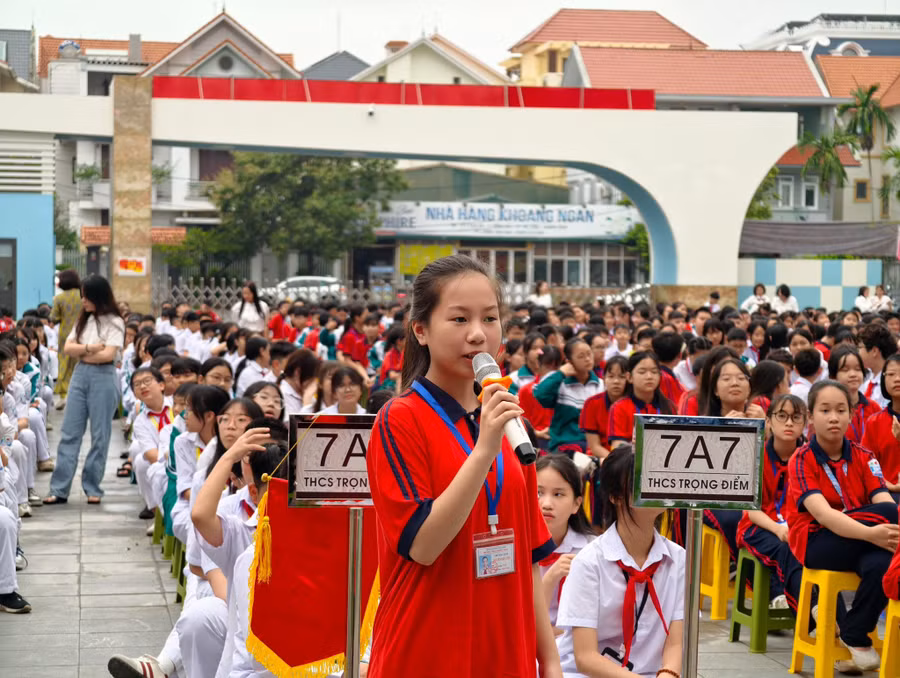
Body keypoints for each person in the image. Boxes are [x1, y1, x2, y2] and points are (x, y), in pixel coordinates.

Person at [365, 254, 561, 677]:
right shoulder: (400, 420)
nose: (478, 335)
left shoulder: (508, 422)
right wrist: (484, 449)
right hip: (428, 648)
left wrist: (549, 661)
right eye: (459, 320)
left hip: (506, 648)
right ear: (421, 329)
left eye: (490, 319)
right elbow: (424, 545)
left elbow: (528, 559)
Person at [785, 380, 898, 674]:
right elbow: (823, 515)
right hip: (817, 542)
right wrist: (872, 533)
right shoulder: (801, 459)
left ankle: (854, 633)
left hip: (860, 541)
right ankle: (854, 634)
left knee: (883, 563)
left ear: (851, 414)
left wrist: (880, 534)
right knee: (890, 511)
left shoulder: (863, 456)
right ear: (811, 416)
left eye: (840, 410)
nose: (833, 417)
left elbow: (883, 500)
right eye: (825, 410)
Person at [555, 446, 684, 678]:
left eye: (658, 478)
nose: (656, 486)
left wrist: (668, 674)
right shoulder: (589, 562)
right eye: (643, 480)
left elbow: (675, 643)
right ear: (615, 496)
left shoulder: (678, 559)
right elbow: (585, 658)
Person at [45, 275, 124, 505]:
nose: (83, 301)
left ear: (98, 296)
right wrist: (89, 348)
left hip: (104, 375)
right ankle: (59, 488)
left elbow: (109, 355)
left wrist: (82, 351)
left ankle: (93, 487)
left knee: (100, 434)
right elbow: (68, 348)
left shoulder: (115, 322)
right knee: (69, 433)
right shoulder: (84, 320)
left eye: (86, 296)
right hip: (80, 375)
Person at [737, 394, 807, 612]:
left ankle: (806, 605)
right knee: (783, 545)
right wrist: (778, 528)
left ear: (805, 422)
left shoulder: (809, 456)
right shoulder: (754, 454)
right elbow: (750, 509)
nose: (788, 423)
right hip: (757, 525)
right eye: (781, 416)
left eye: (796, 417)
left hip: (797, 524)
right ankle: (790, 600)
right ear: (768, 421)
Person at [700, 357, 766, 563]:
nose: (735, 383)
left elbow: (773, 461)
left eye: (741, 378)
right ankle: (745, 568)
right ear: (716, 391)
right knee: (736, 518)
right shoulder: (705, 424)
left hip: (758, 493)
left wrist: (766, 429)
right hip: (718, 496)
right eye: (726, 378)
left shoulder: (765, 417)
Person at [536, 454, 596, 635]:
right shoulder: (513, 550)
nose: (546, 504)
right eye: (538, 492)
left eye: (558, 494)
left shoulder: (591, 549)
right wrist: (550, 578)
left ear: (576, 504)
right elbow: (522, 624)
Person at [534, 337, 603, 455]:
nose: (587, 359)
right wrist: (560, 373)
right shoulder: (560, 383)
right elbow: (541, 395)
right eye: (581, 356)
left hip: (593, 444)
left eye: (589, 354)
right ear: (569, 361)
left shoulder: (600, 384)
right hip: (564, 446)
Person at [607, 351, 675, 450]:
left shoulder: (669, 406)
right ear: (629, 377)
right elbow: (617, 443)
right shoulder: (618, 407)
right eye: (642, 372)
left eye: (654, 372)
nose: (649, 377)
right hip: (629, 461)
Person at [861, 353, 900, 495]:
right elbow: (868, 461)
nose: (897, 379)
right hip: (886, 491)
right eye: (891, 374)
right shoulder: (875, 422)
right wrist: (884, 482)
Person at [828, 345, 880, 445]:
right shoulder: (828, 409)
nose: (853, 374)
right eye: (845, 370)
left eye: (857, 369)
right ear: (833, 376)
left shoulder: (873, 407)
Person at [580, 355, 627, 461]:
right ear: (604, 378)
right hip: (601, 458)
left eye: (621, 377)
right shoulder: (591, 403)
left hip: (627, 458)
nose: (616, 381)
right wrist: (615, 462)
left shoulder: (632, 404)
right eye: (611, 376)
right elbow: (594, 446)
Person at [50, 269, 82, 409]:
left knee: (64, 364)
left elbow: (54, 318)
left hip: (65, 334)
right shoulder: (83, 295)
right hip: (82, 333)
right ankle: (79, 394)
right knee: (80, 363)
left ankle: (64, 395)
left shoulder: (59, 298)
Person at [859, 322, 896, 409]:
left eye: (860, 347)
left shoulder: (891, 383)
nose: (858, 352)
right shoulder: (868, 379)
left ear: (874, 351)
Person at [278, 348, 318, 414]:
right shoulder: (281, 395)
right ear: (298, 372)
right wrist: (307, 407)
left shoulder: (304, 392)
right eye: (311, 379)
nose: (312, 384)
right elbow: (293, 424)